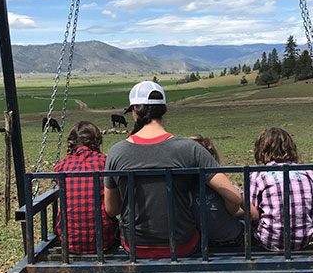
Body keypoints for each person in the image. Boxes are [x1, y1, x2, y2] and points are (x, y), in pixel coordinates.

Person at [104, 81, 243, 258]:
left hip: (135, 245)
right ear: (164, 110)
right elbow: (233, 196)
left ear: (134, 111)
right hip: (182, 245)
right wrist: (231, 212)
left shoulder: (116, 152)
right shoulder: (189, 149)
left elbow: (111, 209)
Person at [249, 127, 313, 251]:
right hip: (303, 240)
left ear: (262, 150)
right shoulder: (308, 173)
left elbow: (252, 213)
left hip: (269, 241)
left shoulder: (258, 175)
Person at [54, 121, 118, 254]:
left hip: (69, 240)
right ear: (97, 141)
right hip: (103, 239)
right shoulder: (105, 163)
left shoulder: (62, 166)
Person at [188, 135, 257, 247]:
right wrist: (232, 213)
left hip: (204, 243)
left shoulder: (183, 190)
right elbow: (253, 214)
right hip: (234, 239)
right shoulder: (227, 187)